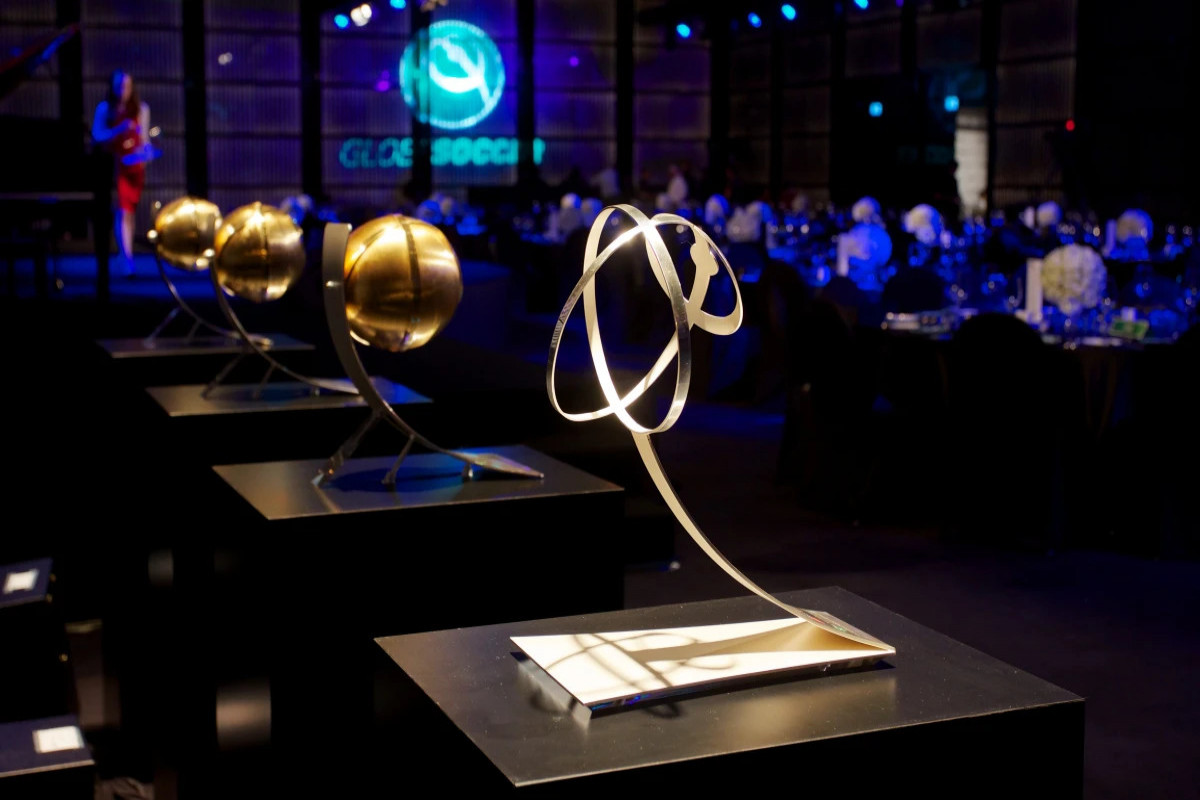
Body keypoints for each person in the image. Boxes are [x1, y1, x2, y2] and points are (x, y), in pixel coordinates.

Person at [92, 69, 151, 277]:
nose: (123, 90)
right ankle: (127, 258)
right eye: (119, 86)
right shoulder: (105, 108)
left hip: (134, 166)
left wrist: (146, 153)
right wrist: (119, 130)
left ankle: (124, 254)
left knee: (129, 212)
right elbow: (97, 136)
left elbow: (144, 139)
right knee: (122, 211)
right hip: (114, 165)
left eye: (126, 86)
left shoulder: (141, 109)